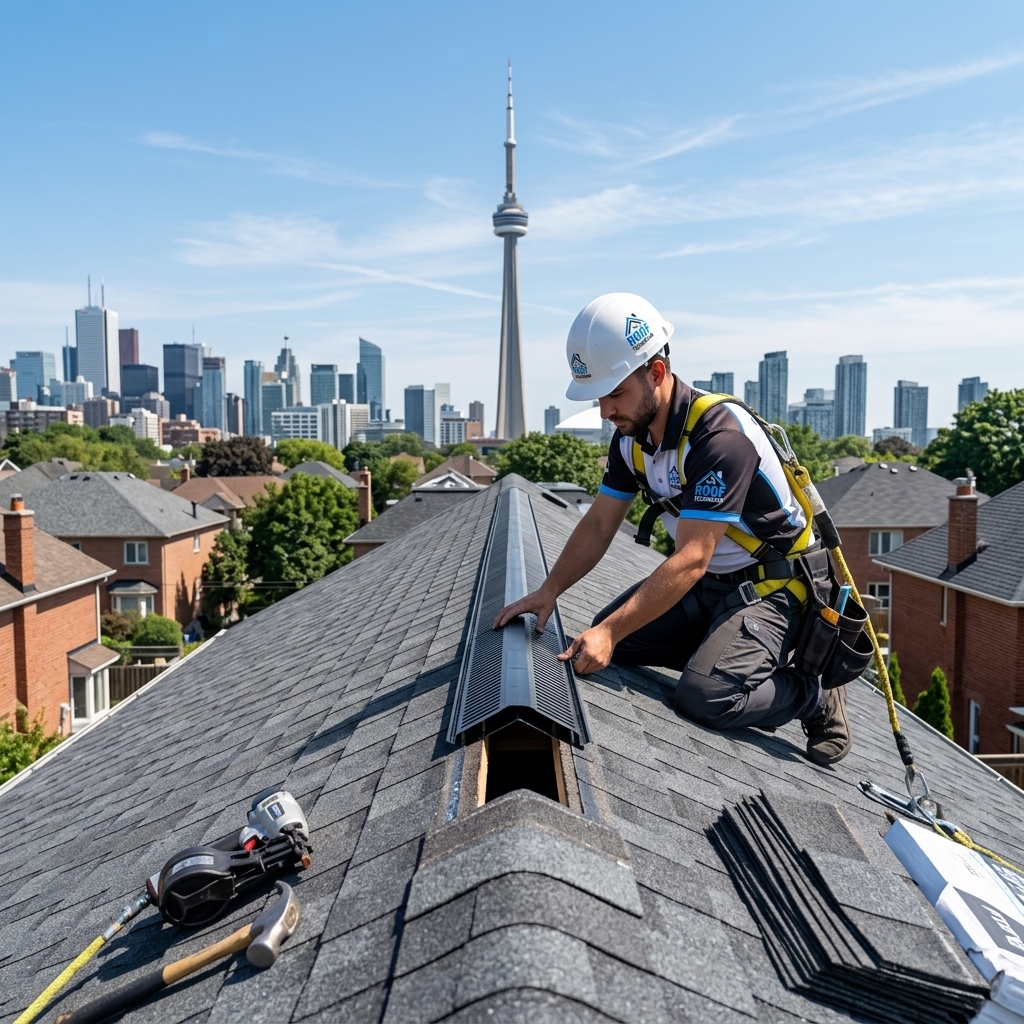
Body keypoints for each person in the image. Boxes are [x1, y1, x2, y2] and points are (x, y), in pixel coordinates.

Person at [494, 293, 850, 765]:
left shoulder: (720, 438)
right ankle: (724, 653)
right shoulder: (632, 441)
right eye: (599, 396)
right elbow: (600, 521)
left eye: (615, 393)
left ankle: (811, 692)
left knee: (703, 697)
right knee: (602, 641)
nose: (604, 411)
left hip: (778, 589)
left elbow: (692, 559)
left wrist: (612, 631)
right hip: (714, 585)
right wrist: (549, 590)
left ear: (656, 374)